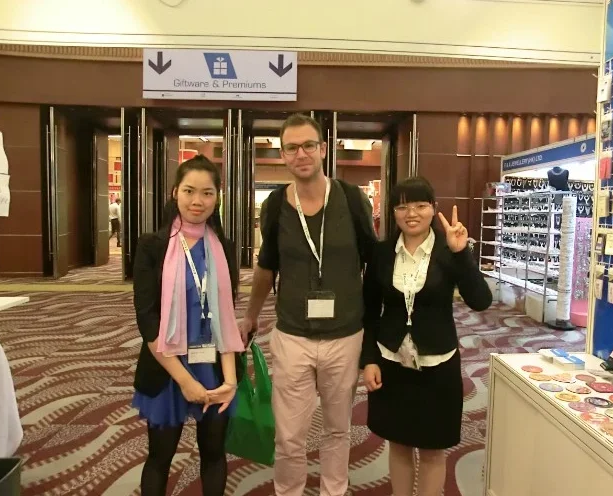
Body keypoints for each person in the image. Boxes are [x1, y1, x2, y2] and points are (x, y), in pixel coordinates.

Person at [240, 113, 376, 496]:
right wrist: (250, 315)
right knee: (288, 436)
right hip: (293, 336)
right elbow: (266, 267)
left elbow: (374, 262)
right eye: (291, 148)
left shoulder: (352, 199)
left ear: (323, 149)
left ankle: (334, 490)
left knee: (337, 429)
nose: (301, 154)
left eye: (308, 145)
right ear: (283, 155)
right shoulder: (275, 206)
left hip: (345, 335)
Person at [361, 176, 492, 496]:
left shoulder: (449, 251)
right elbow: (369, 311)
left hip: (438, 365)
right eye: (402, 206)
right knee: (399, 443)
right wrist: (369, 360)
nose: (411, 214)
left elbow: (481, 301)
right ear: (393, 212)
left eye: (420, 205)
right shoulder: (382, 253)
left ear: (434, 209)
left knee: (433, 449)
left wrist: (462, 255)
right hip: (392, 363)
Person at [132, 155, 245, 496]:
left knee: (214, 455)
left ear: (217, 198)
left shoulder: (223, 247)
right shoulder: (152, 246)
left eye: (207, 193)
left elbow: (227, 317)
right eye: (189, 191)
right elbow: (148, 322)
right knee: (160, 457)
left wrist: (230, 380)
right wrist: (185, 381)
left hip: (214, 364)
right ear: (175, 193)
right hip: (167, 367)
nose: (198, 201)